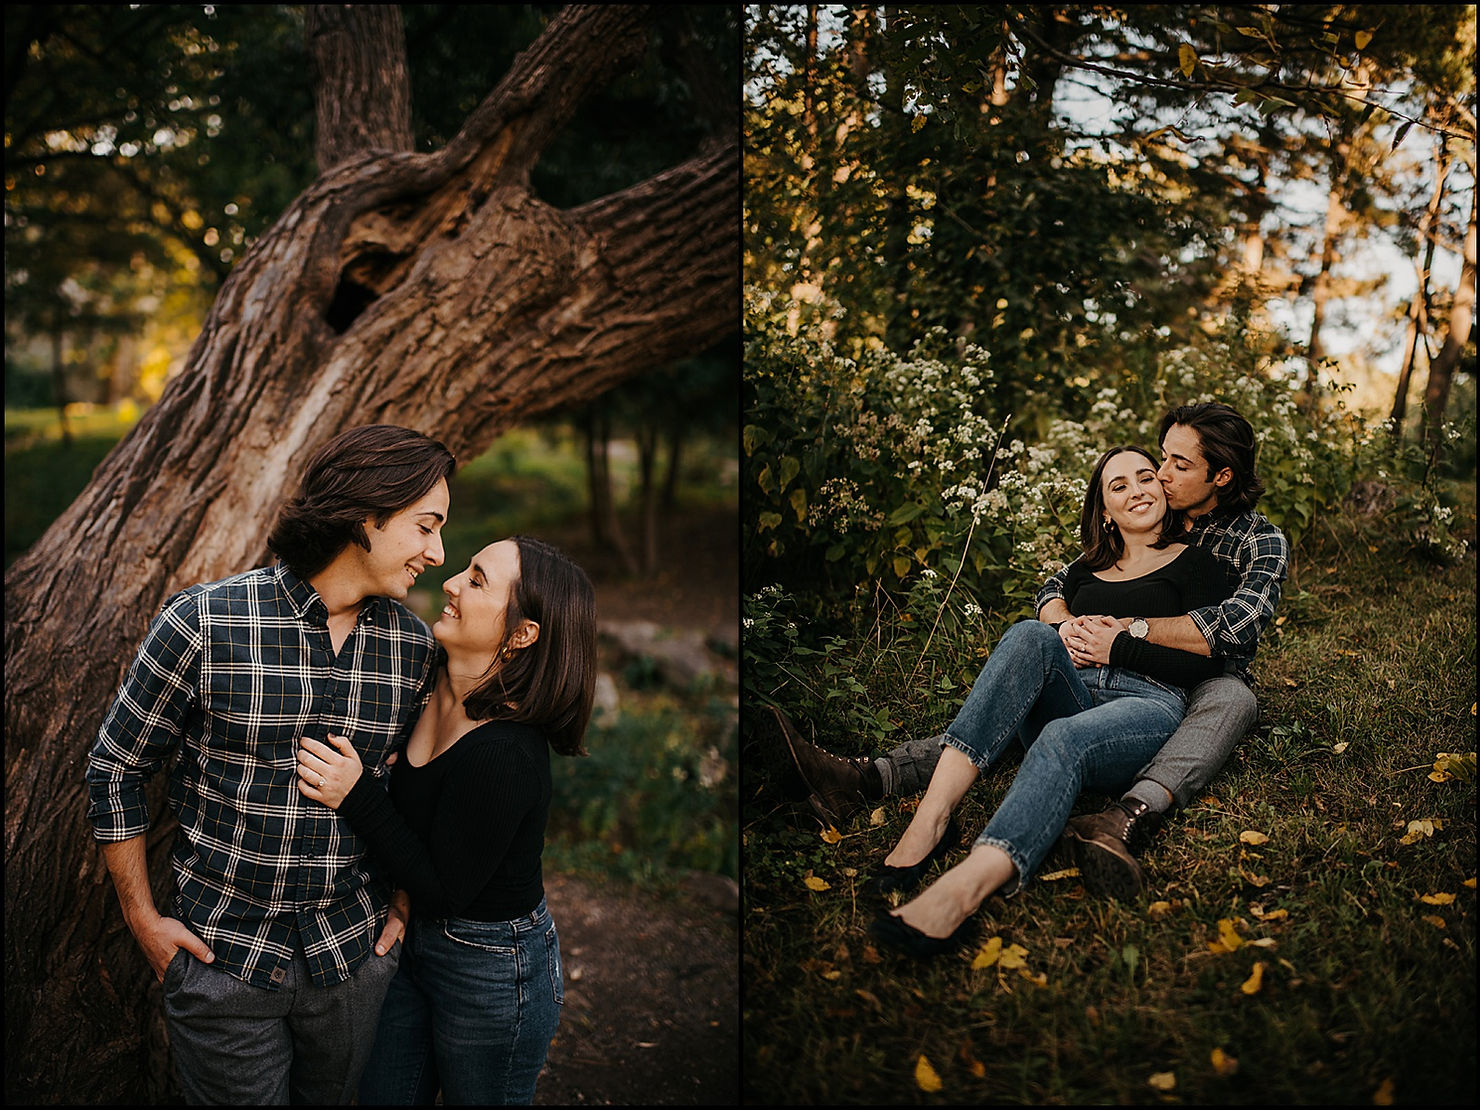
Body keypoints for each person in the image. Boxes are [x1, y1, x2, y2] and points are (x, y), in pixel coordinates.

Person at [780, 402, 1288, 898]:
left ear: (1220, 477)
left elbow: (1230, 630)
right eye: (1159, 459)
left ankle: (1130, 814)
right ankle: (879, 782)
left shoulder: (1252, 541)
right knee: (1029, 651)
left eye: (1177, 465)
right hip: (1089, 671)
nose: (1158, 473)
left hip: (1199, 676)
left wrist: (1124, 636)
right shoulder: (1142, 520)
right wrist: (1066, 627)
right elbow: (1056, 586)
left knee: (1231, 698)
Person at [85, 424, 455, 1105]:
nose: (437, 553)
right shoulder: (203, 620)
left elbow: (416, 787)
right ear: (367, 514)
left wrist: (402, 900)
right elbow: (117, 768)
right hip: (220, 959)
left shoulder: (413, 651)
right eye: (426, 527)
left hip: (353, 958)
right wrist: (141, 916)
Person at [867, 444, 1236, 957]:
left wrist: (1120, 644)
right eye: (1118, 485)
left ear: (1163, 489)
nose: (1137, 491)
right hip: (1072, 691)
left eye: (1146, 477)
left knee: (1065, 736)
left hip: (1145, 705)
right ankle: (932, 818)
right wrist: (1063, 631)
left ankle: (965, 888)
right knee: (1027, 635)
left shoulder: (1196, 565)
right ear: (1105, 510)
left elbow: (1207, 660)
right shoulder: (1083, 572)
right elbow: (1047, 622)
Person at [295, 535, 597, 1106]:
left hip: (490, 965)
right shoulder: (423, 676)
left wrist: (357, 795)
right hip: (409, 939)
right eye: (466, 569)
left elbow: (445, 890)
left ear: (522, 634)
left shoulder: (506, 754)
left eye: (477, 580)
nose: (452, 583)